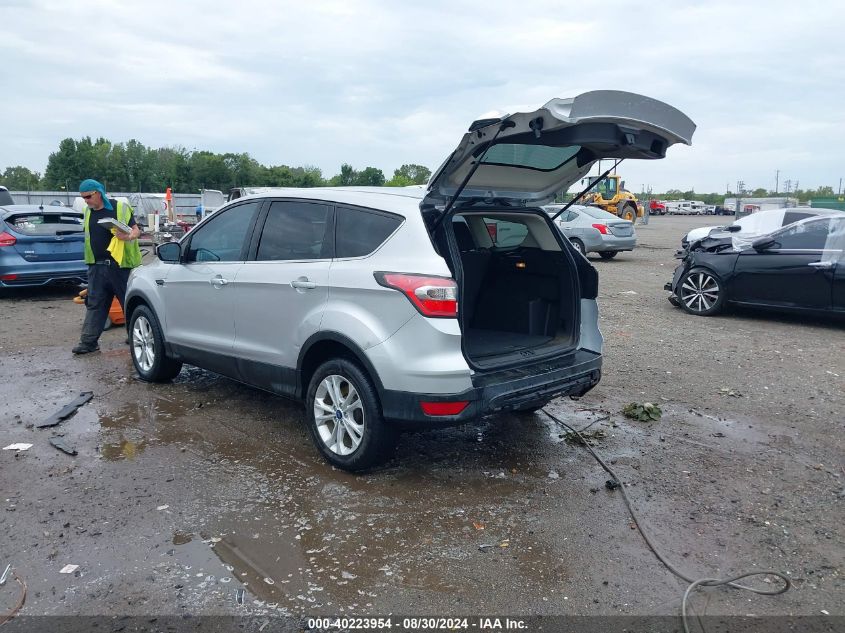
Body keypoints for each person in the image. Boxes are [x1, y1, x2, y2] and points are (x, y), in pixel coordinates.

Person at [72, 179, 142, 354]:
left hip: (121, 266)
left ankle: (136, 337)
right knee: (95, 304)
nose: (86, 201)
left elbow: (136, 230)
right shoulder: (88, 212)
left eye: (88, 196)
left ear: (98, 192)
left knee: (129, 303)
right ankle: (88, 343)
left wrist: (128, 237)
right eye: (83, 198)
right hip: (97, 267)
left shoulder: (120, 208)